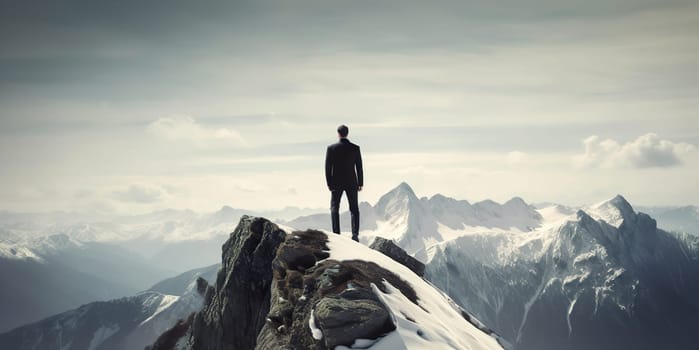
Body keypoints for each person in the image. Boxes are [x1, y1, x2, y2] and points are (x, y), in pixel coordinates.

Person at [325, 124, 363, 241]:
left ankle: (336, 233)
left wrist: (329, 183)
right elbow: (359, 167)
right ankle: (355, 234)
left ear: (338, 134)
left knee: (334, 207)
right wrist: (360, 182)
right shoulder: (355, 148)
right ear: (347, 133)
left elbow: (327, 167)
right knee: (354, 209)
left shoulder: (331, 148)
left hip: (336, 183)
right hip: (352, 182)